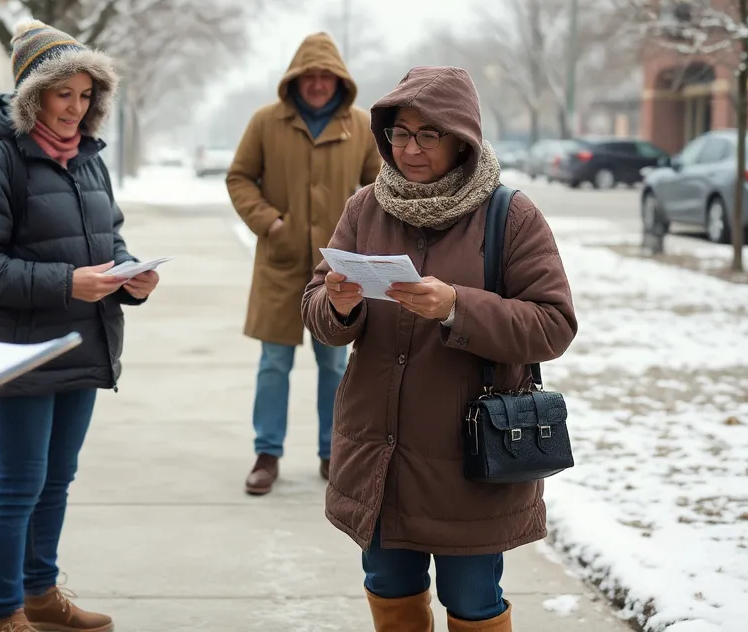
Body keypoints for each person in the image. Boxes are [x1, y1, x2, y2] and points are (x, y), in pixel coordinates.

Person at [300, 67, 577, 632]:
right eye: (400, 133)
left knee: (472, 599)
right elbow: (318, 312)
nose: (410, 148)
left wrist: (457, 306)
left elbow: (554, 325)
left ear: (462, 138)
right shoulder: (365, 209)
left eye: (428, 134)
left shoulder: (511, 215)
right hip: (379, 454)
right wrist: (339, 303)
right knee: (388, 586)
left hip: (468, 460)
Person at [0, 20, 159, 632]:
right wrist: (68, 282)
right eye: (62, 92)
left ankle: (41, 593)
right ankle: (4, 611)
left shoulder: (89, 160)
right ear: (33, 95)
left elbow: (108, 236)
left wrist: (129, 273)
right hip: (16, 348)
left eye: (86, 93)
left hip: (81, 340)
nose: (75, 106)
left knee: (57, 479)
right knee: (20, 483)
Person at [226, 31, 380, 495]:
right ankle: (266, 454)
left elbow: (381, 187)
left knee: (334, 364)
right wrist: (269, 222)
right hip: (280, 262)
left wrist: (362, 237)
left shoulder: (358, 125)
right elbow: (239, 177)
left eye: (326, 76)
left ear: (340, 81)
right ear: (295, 78)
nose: (317, 83)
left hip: (336, 270)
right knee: (274, 362)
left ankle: (333, 453)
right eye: (309, 75)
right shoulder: (266, 122)